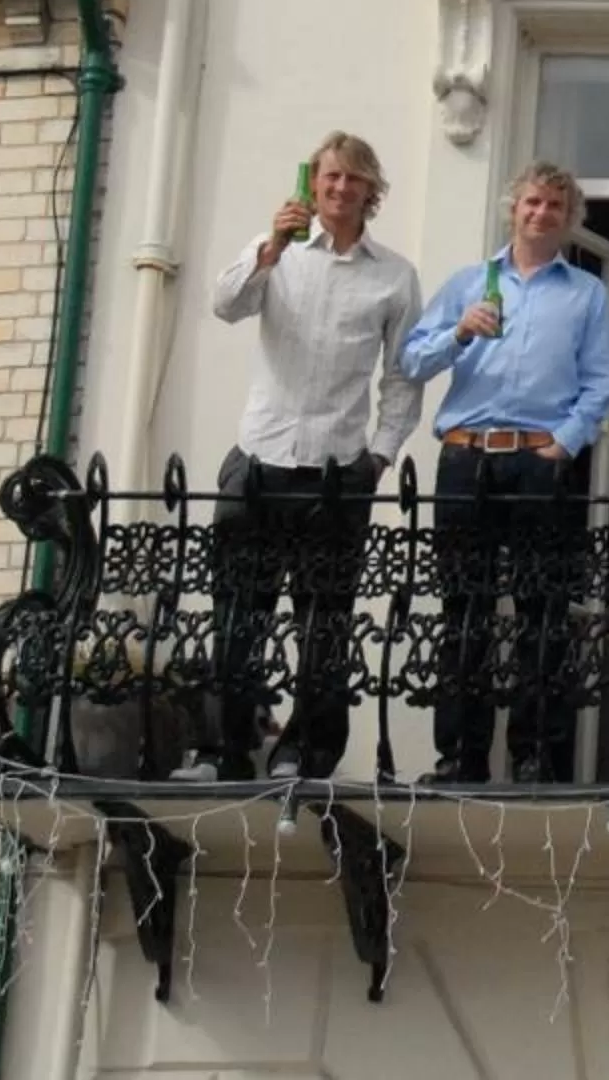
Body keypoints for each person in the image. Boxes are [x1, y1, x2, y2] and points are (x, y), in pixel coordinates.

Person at [203, 132, 424, 781]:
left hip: (336, 470)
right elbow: (224, 305)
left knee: (323, 623)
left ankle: (307, 749)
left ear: (370, 192)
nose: (339, 189)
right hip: (260, 456)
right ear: (313, 182)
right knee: (239, 612)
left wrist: (378, 458)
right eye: (329, 177)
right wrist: (269, 247)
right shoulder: (277, 253)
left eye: (353, 180)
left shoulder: (393, 275)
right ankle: (226, 747)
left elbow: (402, 376)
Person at [402, 161, 609, 785]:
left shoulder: (586, 293)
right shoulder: (471, 282)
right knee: (463, 611)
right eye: (531, 202)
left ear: (569, 218)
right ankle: (460, 758)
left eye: (555, 205)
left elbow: (601, 380)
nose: (541, 214)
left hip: (536, 459)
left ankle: (534, 758)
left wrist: (564, 445)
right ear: (512, 209)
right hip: (468, 455)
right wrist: (459, 335)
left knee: (542, 613)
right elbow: (412, 359)